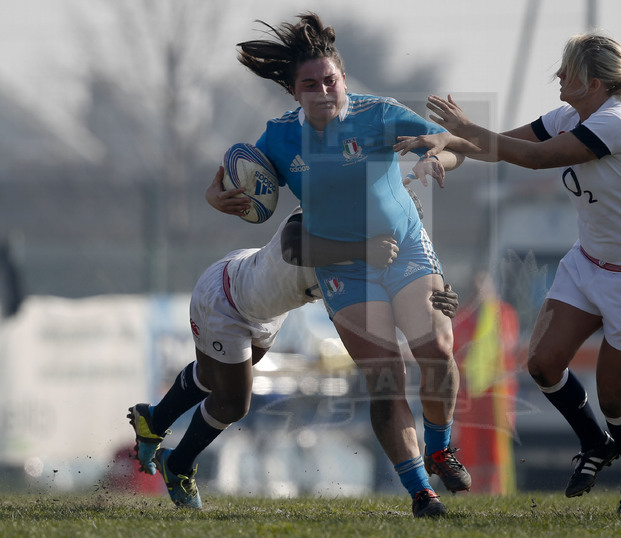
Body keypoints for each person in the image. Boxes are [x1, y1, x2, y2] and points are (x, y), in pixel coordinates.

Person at [395, 32, 621, 515]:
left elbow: (532, 158)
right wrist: (444, 147)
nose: (558, 76)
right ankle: (595, 444)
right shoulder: (573, 114)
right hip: (589, 262)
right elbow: (502, 147)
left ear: (593, 82)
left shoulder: (618, 122)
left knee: (613, 396)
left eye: (567, 69)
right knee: (543, 364)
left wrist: (465, 128)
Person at [229, 12, 472, 517]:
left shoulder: (378, 113)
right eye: (310, 84)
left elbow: (453, 146)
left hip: (403, 245)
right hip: (344, 267)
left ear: (343, 78)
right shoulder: (278, 138)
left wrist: (435, 157)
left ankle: (440, 445)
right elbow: (227, 181)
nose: (323, 90)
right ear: (294, 93)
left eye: (330, 80)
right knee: (383, 378)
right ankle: (420, 493)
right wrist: (219, 197)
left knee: (437, 348)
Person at [128, 172, 461, 510]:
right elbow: (292, 244)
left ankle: (153, 420)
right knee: (233, 402)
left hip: (267, 308)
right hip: (227, 299)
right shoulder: (327, 214)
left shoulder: (375, 250)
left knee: (217, 377)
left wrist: (441, 299)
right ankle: (178, 464)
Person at [451, 272, 520, 495]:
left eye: (484, 286)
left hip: (498, 391)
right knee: (470, 443)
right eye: (476, 287)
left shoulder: (504, 314)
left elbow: (507, 347)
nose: (480, 292)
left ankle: (496, 490)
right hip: (470, 392)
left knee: (495, 444)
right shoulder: (462, 318)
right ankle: (472, 489)